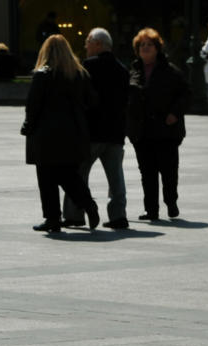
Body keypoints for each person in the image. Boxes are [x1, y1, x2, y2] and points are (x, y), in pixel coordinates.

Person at [22, 35, 100, 234]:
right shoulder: (79, 73)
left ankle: (52, 219)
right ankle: (88, 204)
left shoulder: (42, 74)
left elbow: (33, 105)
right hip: (73, 133)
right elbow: (92, 102)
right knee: (68, 175)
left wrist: (27, 126)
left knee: (46, 179)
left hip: (46, 135)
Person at [62, 28, 130, 230]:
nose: (85, 46)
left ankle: (75, 215)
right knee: (116, 177)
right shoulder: (122, 70)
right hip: (115, 133)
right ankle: (118, 216)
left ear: (98, 44)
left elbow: (80, 97)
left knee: (78, 174)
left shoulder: (88, 66)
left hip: (92, 133)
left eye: (88, 42)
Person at [126, 28, 189, 220]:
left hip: (166, 130)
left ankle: (171, 203)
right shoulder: (134, 70)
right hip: (142, 131)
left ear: (157, 48)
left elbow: (186, 95)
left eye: (149, 45)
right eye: (142, 45)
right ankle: (151, 209)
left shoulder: (170, 70)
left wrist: (174, 114)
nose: (145, 48)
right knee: (147, 173)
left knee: (169, 171)